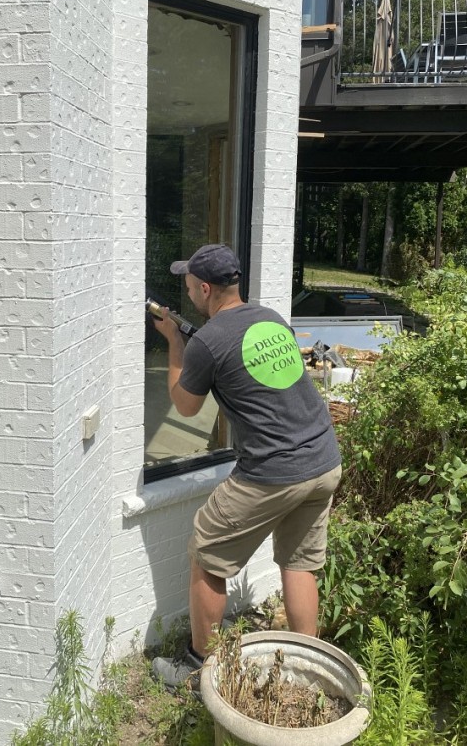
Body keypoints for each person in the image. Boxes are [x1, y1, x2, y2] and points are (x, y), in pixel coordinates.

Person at [151, 243, 342, 690]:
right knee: (299, 563)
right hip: (323, 459)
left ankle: (198, 669)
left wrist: (175, 344)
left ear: (204, 289)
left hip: (275, 471)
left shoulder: (208, 342)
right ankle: (305, 674)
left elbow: (185, 406)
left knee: (207, 553)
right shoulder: (270, 318)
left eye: (189, 285)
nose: (187, 292)